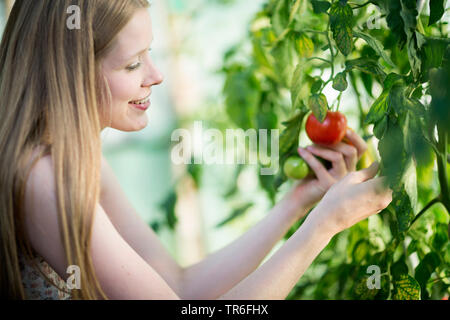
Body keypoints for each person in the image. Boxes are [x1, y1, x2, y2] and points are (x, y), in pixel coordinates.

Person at [0, 0, 393, 300]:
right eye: (133, 64)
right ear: (73, 71)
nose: (155, 75)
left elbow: (180, 287)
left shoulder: (77, 158)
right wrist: (325, 223)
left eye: (150, 54)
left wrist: (298, 202)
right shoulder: (44, 179)